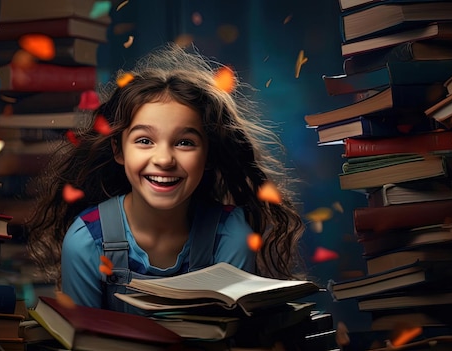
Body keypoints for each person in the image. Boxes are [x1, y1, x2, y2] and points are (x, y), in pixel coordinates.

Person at [26, 42, 305, 313]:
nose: (164, 160)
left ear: (207, 155)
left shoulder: (230, 234)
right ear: (118, 150)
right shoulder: (87, 240)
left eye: (185, 143)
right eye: (145, 140)